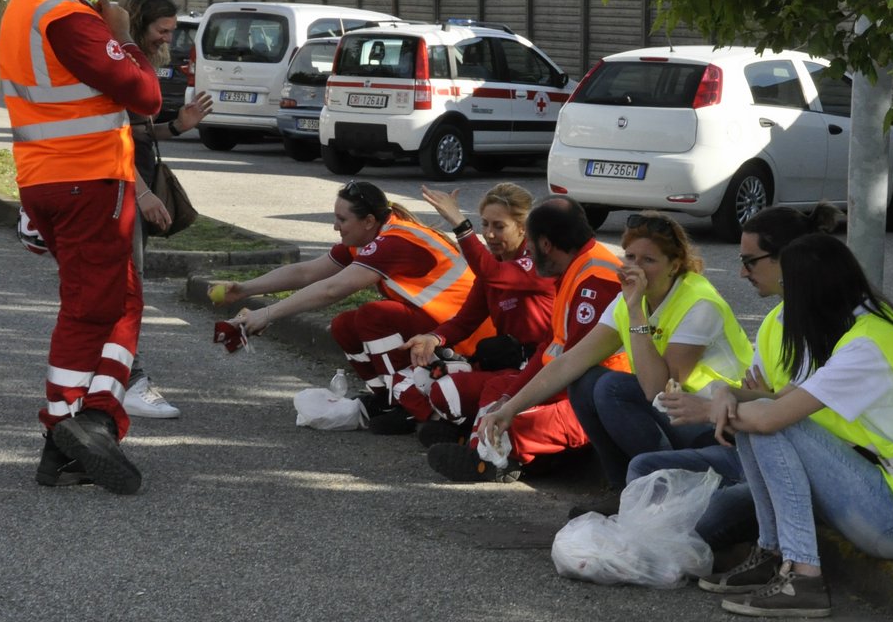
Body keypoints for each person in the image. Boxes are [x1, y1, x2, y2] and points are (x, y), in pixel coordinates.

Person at [691, 233, 893, 618]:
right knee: (761, 421)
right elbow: (780, 403)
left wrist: (707, 410)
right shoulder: (868, 328)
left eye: (791, 291)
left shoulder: (866, 349)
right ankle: (772, 555)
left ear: (813, 292)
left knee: (769, 424)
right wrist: (725, 397)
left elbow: (773, 416)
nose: (787, 304)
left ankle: (804, 576)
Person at [0, 0, 160, 494]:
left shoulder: (23, 1)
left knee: (120, 300)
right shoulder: (67, 15)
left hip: (49, 178)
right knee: (92, 309)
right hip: (85, 180)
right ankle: (65, 429)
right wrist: (122, 38)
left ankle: (93, 423)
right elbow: (145, 95)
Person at [472, 211, 750, 499]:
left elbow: (658, 390)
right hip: (678, 415)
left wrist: (635, 313)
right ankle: (621, 490)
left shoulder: (698, 304)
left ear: (674, 265)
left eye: (649, 260)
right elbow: (570, 361)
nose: (636, 269)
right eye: (629, 257)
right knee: (584, 380)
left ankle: (668, 488)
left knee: (611, 387)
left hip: (715, 426)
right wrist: (509, 408)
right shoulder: (630, 298)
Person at [632, 204, 842, 555]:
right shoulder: (776, 319)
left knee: (708, 520)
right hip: (751, 443)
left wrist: (723, 405)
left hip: (799, 462)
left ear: (787, 259)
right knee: (645, 467)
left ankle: (708, 541)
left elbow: (794, 411)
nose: (742, 274)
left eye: (750, 262)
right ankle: (661, 533)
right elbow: (763, 398)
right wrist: (745, 398)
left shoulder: (826, 324)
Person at [214, 180, 488, 401]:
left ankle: (409, 403)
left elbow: (333, 290)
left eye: (341, 219)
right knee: (344, 325)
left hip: (465, 334)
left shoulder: (394, 242)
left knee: (373, 316)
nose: (335, 226)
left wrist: (267, 314)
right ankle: (383, 396)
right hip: (440, 325)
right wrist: (244, 289)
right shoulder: (372, 236)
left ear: (368, 221)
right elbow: (307, 273)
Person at [424, 197, 624, 482]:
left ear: (545, 244)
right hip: (571, 383)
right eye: (485, 225)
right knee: (498, 391)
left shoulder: (594, 280)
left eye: (528, 241)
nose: (525, 250)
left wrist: (513, 408)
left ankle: (488, 459)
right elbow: (551, 347)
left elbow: (569, 367)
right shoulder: (573, 268)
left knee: (514, 423)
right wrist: (509, 398)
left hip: (599, 398)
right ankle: (489, 449)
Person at [368, 182, 556, 439]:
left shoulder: (535, 264)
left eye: (499, 226)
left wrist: (459, 223)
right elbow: (464, 322)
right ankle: (435, 419)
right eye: (485, 225)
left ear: (523, 228)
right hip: (502, 365)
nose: (489, 234)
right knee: (425, 375)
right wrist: (433, 339)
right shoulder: (494, 270)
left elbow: (492, 273)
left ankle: (468, 435)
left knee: (447, 391)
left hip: (537, 370)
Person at [119, 0, 213, 421]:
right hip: (119, 189)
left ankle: (115, 376)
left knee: (124, 285)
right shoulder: (119, 64)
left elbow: (135, 132)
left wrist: (177, 125)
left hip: (126, 184)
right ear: (140, 23)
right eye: (163, 30)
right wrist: (142, 191)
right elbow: (109, 139)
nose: (168, 41)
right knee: (126, 286)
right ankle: (128, 379)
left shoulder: (132, 63)